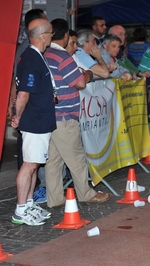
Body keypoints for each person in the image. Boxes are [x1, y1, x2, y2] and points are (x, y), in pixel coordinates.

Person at [44, 19, 111, 208]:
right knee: (77, 157)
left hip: (51, 114)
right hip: (65, 115)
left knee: (54, 161)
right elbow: (80, 82)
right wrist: (88, 75)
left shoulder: (46, 54)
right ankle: (86, 193)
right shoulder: (62, 56)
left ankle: (55, 198)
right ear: (65, 35)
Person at [11, 18, 56, 225]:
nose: (51, 38)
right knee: (29, 165)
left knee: (34, 164)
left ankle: (28, 204)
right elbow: (23, 94)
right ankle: (20, 210)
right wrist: (17, 115)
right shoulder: (31, 58)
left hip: (40, 118)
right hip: (34, 120)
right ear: (43, 35)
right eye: (51, 34)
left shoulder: (35, 56)